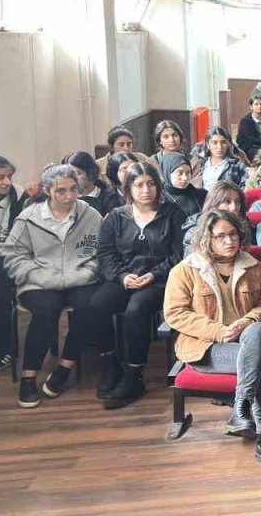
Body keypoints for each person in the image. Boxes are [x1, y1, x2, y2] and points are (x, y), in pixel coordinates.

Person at [163, 209, 261, 471]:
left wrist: (246, 322)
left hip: (247, 342)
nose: (229, 241)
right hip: (207, 349)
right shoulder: (185, 271)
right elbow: (175, 314)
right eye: (220, 236)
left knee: (258, 333)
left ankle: (242, 408)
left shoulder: (254, 267)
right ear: (207, 239)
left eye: (233, 234)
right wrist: (217, 331)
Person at [3, 164, 108, 407]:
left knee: (90, 306)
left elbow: (103, 251)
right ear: (48, 190)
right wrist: (32, 274)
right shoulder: (29, 218)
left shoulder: (89, 215)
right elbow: (13, 255)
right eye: (62, 191)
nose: (69, 196)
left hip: (79, 278)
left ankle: (64, 367)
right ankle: (29, 378)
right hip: (39, 281)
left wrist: (90, 270)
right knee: (46, 311)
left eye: (74, 190)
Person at [93, 162, 186, 409]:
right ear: (128, 188)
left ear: (158, 185)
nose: (146, 190)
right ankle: (110, 363)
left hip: (160, 280)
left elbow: (178, 255)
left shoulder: (173, 213)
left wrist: (153, 275)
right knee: (96, 305)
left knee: (136, 309)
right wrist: (122, 276)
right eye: (139, 185)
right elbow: (106, 254)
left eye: (151, 184)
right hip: (125, 277)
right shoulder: (116, 216)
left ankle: (134, 374)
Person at [0, 155, 24, 373]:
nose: (6, 182)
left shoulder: (18, 195)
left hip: (9, 255)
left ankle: (5, 348)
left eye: (9, 176)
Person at [183, 181, 246, 253]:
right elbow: (192, 262)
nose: (234, 207)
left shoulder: (244, 224)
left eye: (238, 202)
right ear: (214, 204)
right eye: (227, 202)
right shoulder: (195, 231)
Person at [62, 151, 118, 216]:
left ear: (91, 172)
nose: (73, 178)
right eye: (70, 174)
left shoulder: (109, 197)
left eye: (78, 174)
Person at [160, 152, 206, 218]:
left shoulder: (202, 195)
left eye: (188, 172)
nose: (185, 178)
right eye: (180, 173)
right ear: (167, 173)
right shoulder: (160, 199)